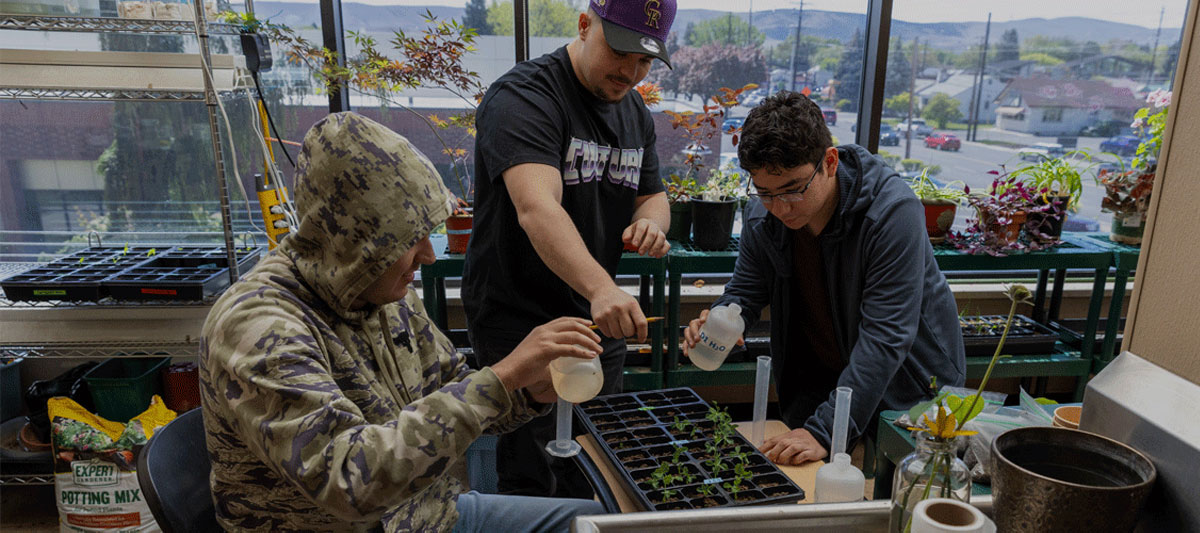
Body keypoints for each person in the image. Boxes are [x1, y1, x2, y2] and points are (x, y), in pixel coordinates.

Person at [199, 112, 605, 532]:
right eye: (410, 240)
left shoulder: (385, 294)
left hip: (425, 516)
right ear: (357, 243)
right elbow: (349, 482)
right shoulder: (258, 326)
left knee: (603, 524)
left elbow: (451, 389)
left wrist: (526, 391)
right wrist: (501, 379)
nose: (429, 256)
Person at [462, 0, 677, 498]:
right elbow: (537, 208)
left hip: (597, 318)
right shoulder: (524, 97)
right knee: (531, 468)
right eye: (620, 51)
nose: (631, 71)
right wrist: (603, 286)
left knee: (599, 453)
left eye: (645, 60)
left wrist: (650, 224)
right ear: (584, 25)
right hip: (522, 315)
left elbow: (653, 195)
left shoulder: (634, 110)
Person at [683, 92, 966, 466]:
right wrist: (722, 317)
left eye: (794, 189)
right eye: (766, 192)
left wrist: (825, 430)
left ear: (829, 162)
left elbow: (886, 337)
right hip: (821, 384)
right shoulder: (762, 216)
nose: (781, 208)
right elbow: (746, 289)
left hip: (908, 390)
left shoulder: (891, 214)